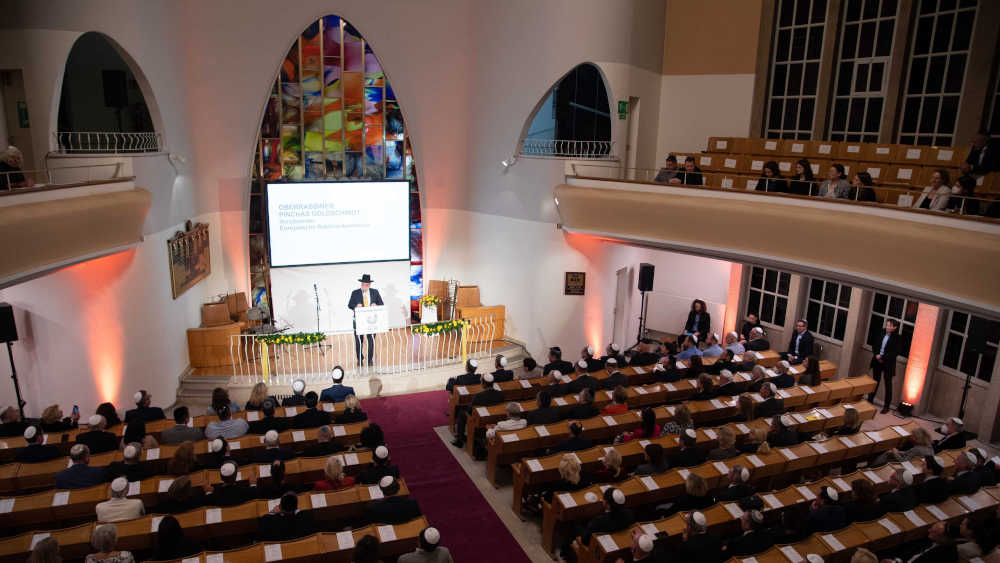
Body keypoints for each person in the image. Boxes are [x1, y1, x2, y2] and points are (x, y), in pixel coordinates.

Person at [451, 372, 503, 448]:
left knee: (462, 413)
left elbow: (470, 411)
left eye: (481, 382)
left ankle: (459, 440)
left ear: (484, 384)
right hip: (494, 418)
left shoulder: (479, 396)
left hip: (480, 420)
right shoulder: (500, 394)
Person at [349, 274, 384, 366]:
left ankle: (370, 360)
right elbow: (350, 305)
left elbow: (381, 304)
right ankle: (359, 359)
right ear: (361, 284)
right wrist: (356, 306)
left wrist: (376, 305)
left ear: (369, 285)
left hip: (372, 321)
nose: (364, 286)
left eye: (366, 284)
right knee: (358, 341)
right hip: (358, 321)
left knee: (371, 340)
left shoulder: (375, 292)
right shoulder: (355, 293)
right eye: (363, 284)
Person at [869, 319, 899, 414]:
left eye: (890, 326)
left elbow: (895, 352)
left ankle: (886, 406)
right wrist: (877, 354)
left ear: (894, 327)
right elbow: (875, 345)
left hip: (888, 363)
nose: (887, 327)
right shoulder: (881, 332)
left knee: (888, 384)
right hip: (877, 360)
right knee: (875, 381)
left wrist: (882, 357)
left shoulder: (897, 338)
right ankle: (870, 400)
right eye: (887, 325)